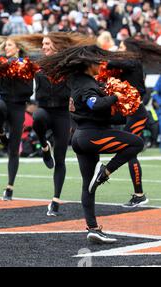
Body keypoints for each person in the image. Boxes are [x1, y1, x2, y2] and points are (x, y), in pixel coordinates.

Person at [38, 45, 145, 244]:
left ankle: (93, 228)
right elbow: (94, 105)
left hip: (80, 137)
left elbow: (98, 113)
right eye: (97, 62)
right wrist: (115, 97)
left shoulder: (79, 81)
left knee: (88, 186)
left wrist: (121, 112)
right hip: (91, 137)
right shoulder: (86, 85)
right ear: (88, 64)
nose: (101, 65)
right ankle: (104, 173)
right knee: (136, 143)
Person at [21, 32, 94, 216]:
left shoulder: (69, 65)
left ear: (56, 45)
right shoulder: (37, 63)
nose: (43, 46)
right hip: (44, 109)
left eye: (47, 43)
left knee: (60, 157)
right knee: (37, 117)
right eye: (43, 43)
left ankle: (55, 201)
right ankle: (44, 145)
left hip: (63, 114)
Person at [108, 38, 161, 207]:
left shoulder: (133, 62)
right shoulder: (128, 64)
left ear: (129, 50)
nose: (119, 48)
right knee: (128, 151)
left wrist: (99, 55)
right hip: (130, 113)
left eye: (122, 46)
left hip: (137, 114)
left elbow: (111, 63)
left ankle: (139, 195)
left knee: (130, 152)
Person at [0, 35, 35, 201]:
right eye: (5, 45)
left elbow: (29, 89)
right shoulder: (1, 63)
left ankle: (9, 187)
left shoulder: (27, 65)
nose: (6, 48)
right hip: (4, 103)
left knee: (14, 149)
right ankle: (0, 130)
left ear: (17, 48)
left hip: (19, 107)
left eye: (9, 45)